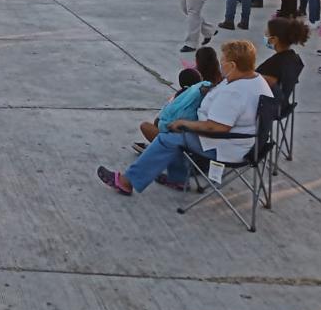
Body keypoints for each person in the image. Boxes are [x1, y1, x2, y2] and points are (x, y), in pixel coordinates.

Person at [97, 39, 273, 195]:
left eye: (223, 62)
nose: (221, 65)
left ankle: (128, 182)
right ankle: (178, 179)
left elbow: (217, 127)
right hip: (244, 142)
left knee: (168, 138)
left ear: (233, 65)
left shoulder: (236, 92)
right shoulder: (255, 80)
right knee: (178, 136)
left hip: (225, 145)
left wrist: (186, 124)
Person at [256, 17, 308, 97]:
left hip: (269, 105)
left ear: (274, 39)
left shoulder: (273, 65)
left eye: (267, 34)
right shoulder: (294, 58)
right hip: (283, 104)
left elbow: (260, 85)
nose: (265, 36)